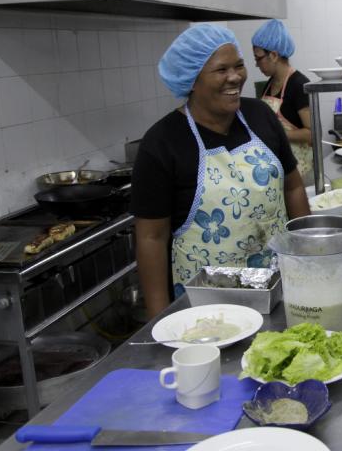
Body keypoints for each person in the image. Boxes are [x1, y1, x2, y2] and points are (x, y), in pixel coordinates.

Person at [132, 24, 310, 318]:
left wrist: (309, 261)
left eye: (239, 66)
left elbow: (292, 187)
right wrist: (159, 322)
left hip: (281, 289)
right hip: (207, 307)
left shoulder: (260, 116)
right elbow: (151, 238)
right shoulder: (162, 142)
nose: (235, 77)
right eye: (221, 69)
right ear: (191, 79)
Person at [251, 19, 314, 184]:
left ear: (273, 55)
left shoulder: (298, 84)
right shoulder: (269, 84)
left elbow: (311, 133)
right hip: (278, 169)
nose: (256, 64)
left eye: (258, 58)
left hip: (301, 173)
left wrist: (277, 135)